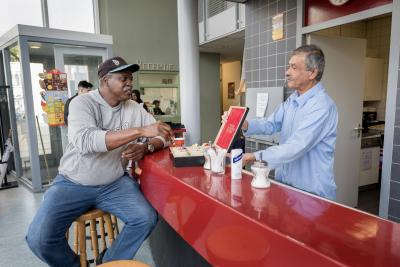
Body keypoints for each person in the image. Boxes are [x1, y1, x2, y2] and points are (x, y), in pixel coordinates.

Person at [26, 56, 174, 267]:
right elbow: (87, 141)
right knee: (39, 239)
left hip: (114, 183)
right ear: (105, 80)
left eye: (130, 78)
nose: (130, 83)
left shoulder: (133, 106)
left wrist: (146, 146)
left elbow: (163, 135)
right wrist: (140, 131)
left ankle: (109, 261)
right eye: (123, 78)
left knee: (145, 218)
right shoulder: (82, 103)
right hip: (72, 182)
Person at [226, 44, 338, 200]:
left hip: (311, 193)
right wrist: (243, 123)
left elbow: (296, 146)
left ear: (312, 72)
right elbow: (270, 124)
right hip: (286, 185)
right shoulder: (292, 100)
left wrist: (253, 156)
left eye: (293, 68)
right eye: (288, 67)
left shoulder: (322, 106)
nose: (287, 72)